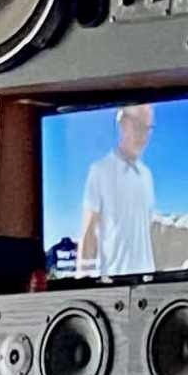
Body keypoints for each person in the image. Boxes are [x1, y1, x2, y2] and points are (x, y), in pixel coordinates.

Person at [77, 102, 161, 277]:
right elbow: (89, 232)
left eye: (148, 128)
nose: (143, 136)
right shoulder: (100, 170)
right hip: (113, 285)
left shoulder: (147, 176)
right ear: (123, 124)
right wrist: (83, 285)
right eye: (139, 126)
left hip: (148, 286)